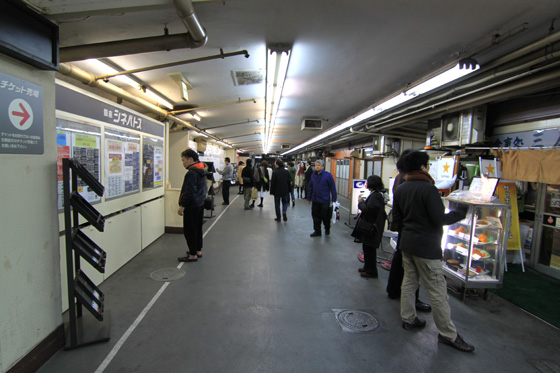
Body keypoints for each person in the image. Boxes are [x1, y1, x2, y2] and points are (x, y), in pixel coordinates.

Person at [392, 150, 474, 352]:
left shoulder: (401, 189)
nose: (428, 168)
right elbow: (440, 219)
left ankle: (408, 318)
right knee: (437, 291)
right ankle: (448, 334)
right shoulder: (428, 190)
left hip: (407, 244)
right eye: (427, 165)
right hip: (426, 247)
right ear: (422, 167)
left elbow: (397, 220)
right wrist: (460, 212)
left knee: (409, 282)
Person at [386, 149, 431, 312]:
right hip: (415, 229)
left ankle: (392, 290)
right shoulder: (414, 180)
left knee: (400, 258)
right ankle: (413, 300)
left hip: (404, 226)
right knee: (413, 269)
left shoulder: (400, 178)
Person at [177, 149, 206, 262]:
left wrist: (182, 206)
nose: (183, 163)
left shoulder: (192, 173)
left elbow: (189, 191)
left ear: (191, 159)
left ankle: (192, 254)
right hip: (200, 204)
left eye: (183, 160)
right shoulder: (201, 170)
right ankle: (197, 250)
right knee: (197, 229)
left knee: (190, 230)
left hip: (192, 206)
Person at [354, 175, 386, 279]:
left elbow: (369, 210)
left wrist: (361, 203)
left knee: (369, 250)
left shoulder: (376, 196)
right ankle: (367, 267)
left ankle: (371, 271)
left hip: (371, 227)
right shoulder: (376, 195)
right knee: (366, 248)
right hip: (370, 227)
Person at [307, 159, 337, 237]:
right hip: (315, 200)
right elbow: (310, 187)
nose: (317, 166)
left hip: (324, 200)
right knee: (315, 216)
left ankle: (327, 228)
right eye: (316, 165)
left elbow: (332, 188)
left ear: (323, 166)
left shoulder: (328, 175)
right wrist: (309, 198)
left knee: (325, 217)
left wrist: (334, 200)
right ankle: (317, 231)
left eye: (319, 165)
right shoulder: (313, 175)